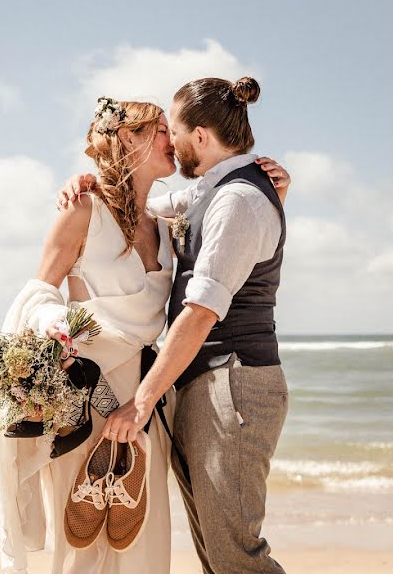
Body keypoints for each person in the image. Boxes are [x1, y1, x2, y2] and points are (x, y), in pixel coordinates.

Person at [100, 76, 290, 574]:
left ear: (201, 137)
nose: (170, 142)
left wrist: (141, 401)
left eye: (175, 131)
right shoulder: (213, 192)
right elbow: (144, 206)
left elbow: (201, 311)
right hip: (206, 383)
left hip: (233, 383)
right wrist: (89, 185)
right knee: (214, 552)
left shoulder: (239, 201)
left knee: (235, 557)